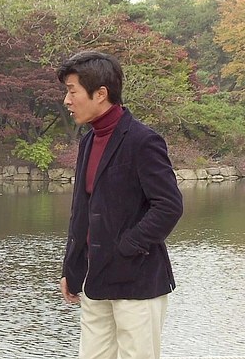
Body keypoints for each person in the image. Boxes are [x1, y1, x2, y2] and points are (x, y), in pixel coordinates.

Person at [57, 50, 183, 359]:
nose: (67, 100)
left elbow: (168, 206)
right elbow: (81, 211)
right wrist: (71, 267)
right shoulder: (88, 141)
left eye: (72, 91)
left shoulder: (143, 140)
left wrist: (126, 246)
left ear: (101, 94)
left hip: (137, 281)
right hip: (95, 280)